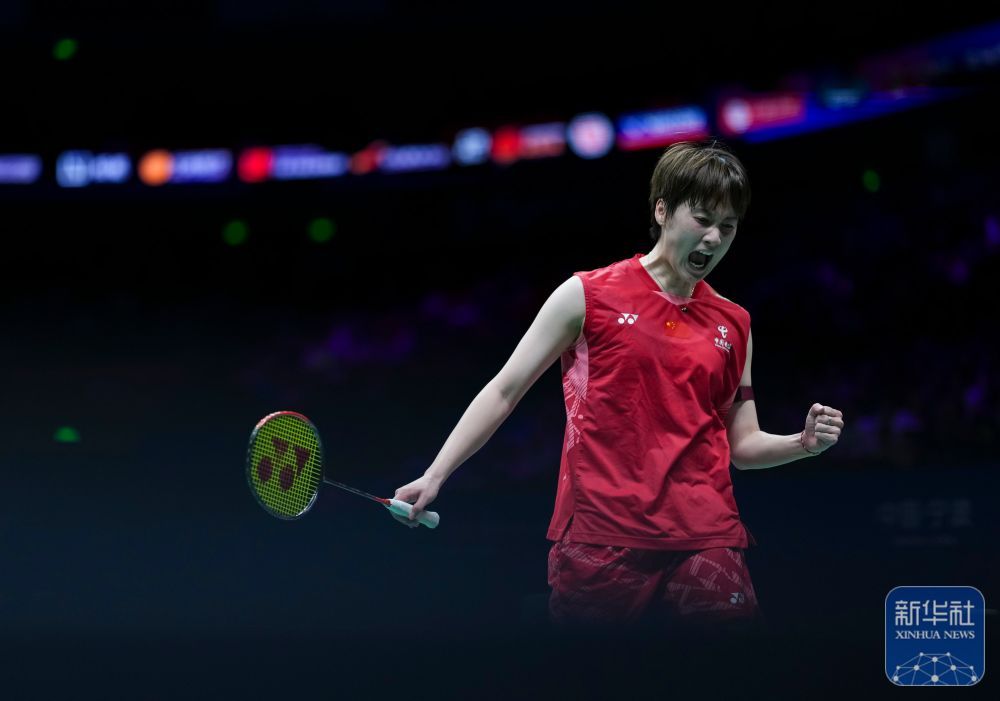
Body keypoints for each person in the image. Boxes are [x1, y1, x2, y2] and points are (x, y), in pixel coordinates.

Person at [391, 139, 845, 632]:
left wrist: (802, 444)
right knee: (600, 671)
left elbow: (743, 445)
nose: (714, 238)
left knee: (732, 667)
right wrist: (435, 475)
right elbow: (505, 390)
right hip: (602, 535)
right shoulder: (587, 295)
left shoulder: (734, 322)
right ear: (662, 210)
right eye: (702, 219)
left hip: (705, 537)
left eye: (728, 226)